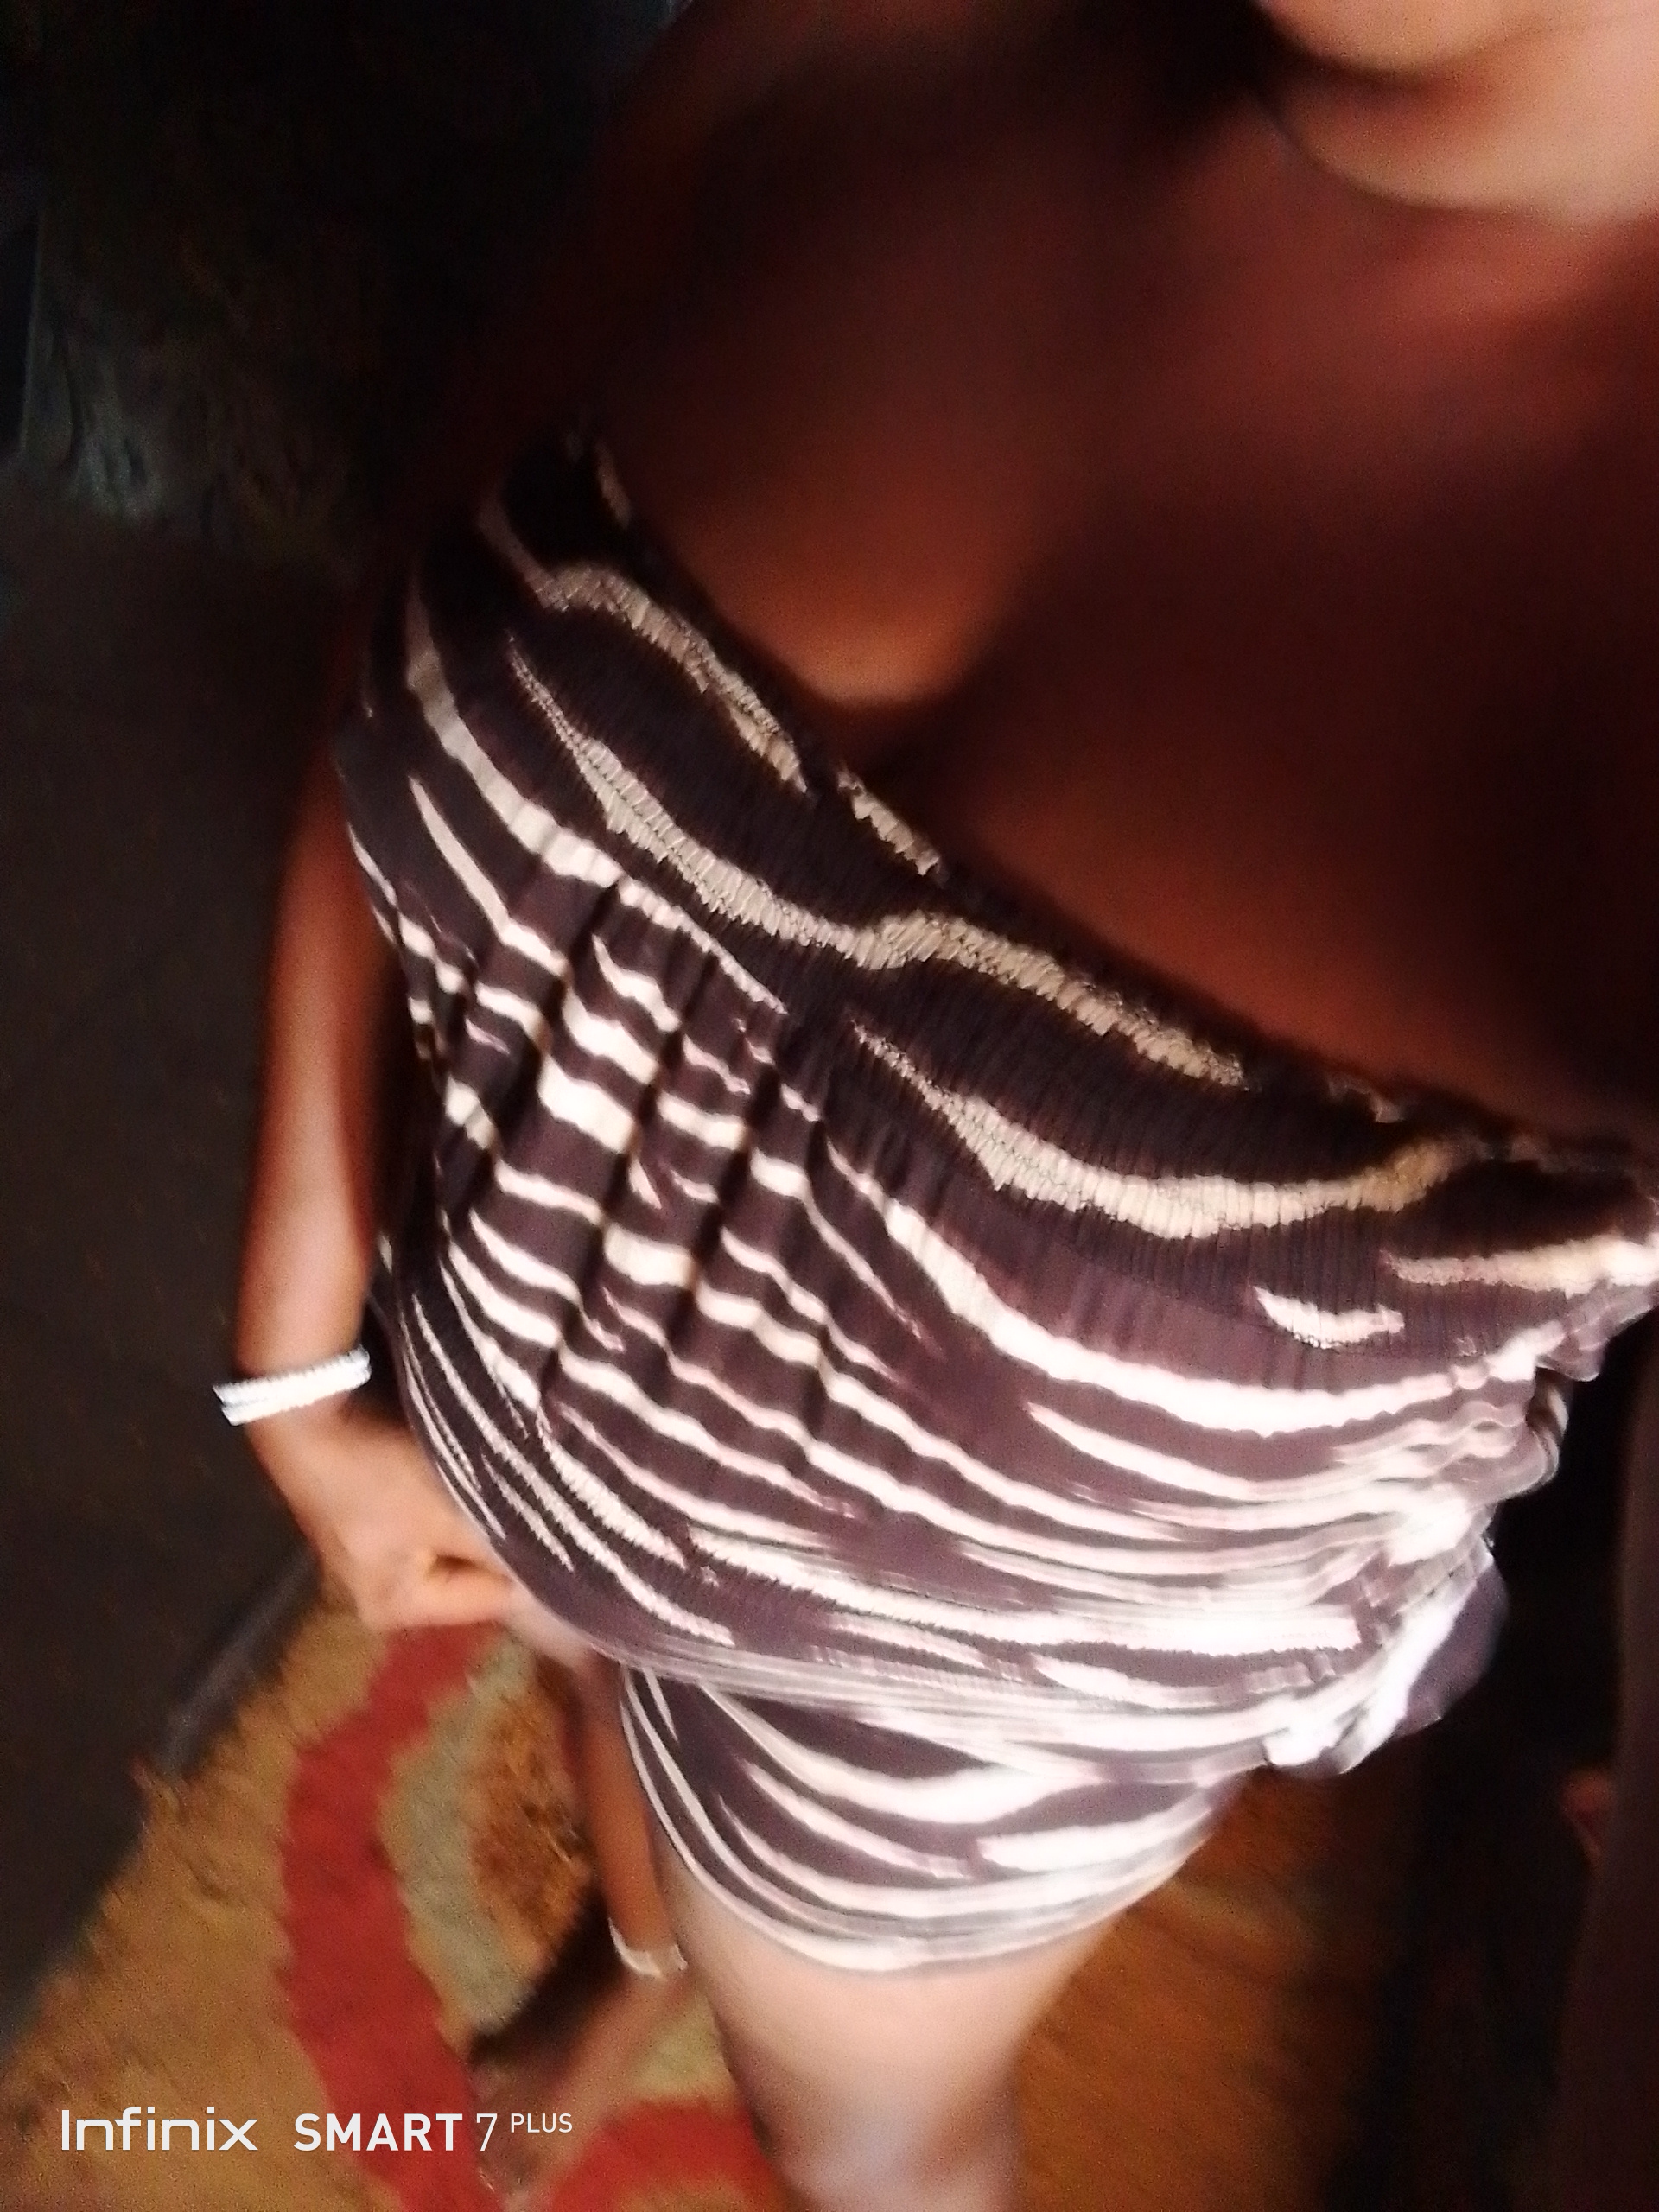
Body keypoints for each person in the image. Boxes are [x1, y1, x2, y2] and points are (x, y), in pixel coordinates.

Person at [232, 4, 1659, 2207]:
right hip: (478, 1365)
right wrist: (303, 1312)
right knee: (598, 1681)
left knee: (863, 2136)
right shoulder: (862, 29)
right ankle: (634, 1942)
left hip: (933, 1738)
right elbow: (453, 536)